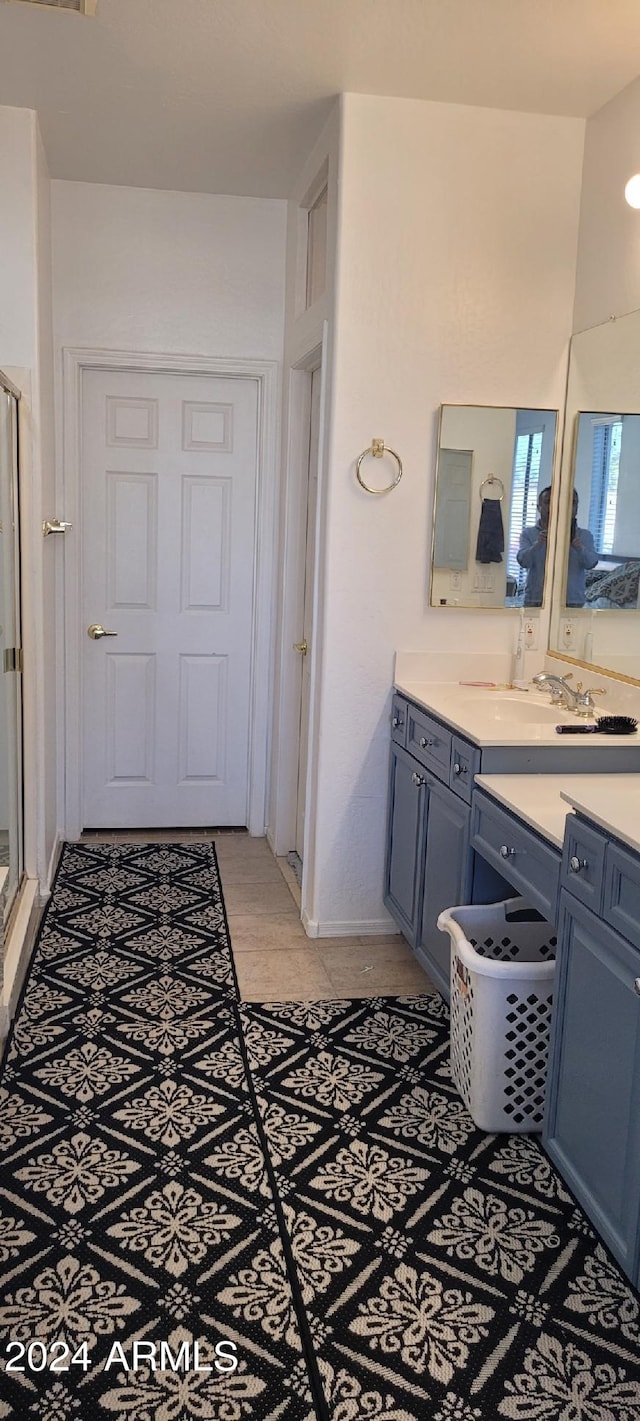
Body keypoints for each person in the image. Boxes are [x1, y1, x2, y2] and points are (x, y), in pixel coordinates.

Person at [517, 487, 598, 607]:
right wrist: (538, 545)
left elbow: (591, 563)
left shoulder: (584, 536)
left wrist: (578, 547)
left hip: (572, 601)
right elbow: (523, 562)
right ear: (539, 507)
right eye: (548, 502)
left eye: (573, 503)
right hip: (536, 599)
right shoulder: (529, 534)